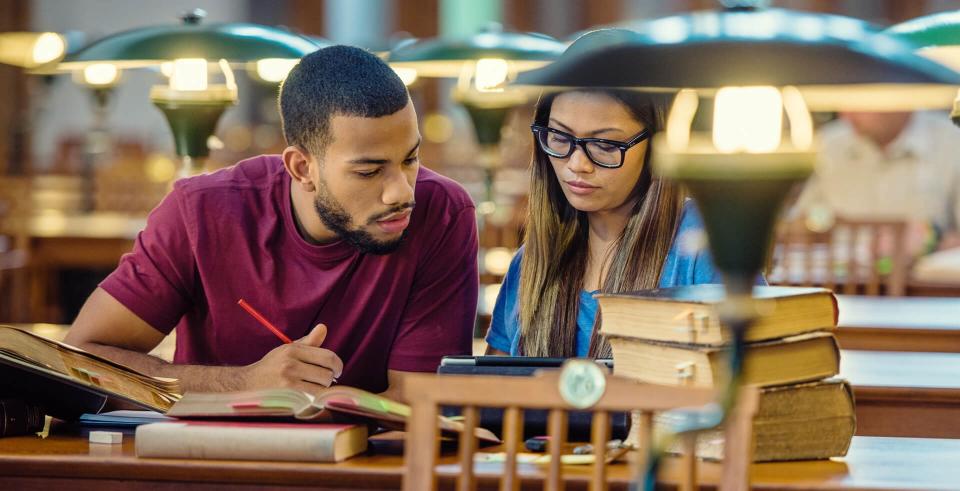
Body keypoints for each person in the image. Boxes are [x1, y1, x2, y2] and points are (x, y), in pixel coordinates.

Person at [65, 46, 479, 398]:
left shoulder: (441, 212)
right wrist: (244, 381)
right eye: (369, 172)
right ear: (302, 168)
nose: (402, 192)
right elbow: (81, 358)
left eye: (410, 159)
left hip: (365, 463)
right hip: (212, 459)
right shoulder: (201, 211)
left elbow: (419, 399)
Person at [485, 89, 721, 358]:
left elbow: (749, 385)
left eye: (606, 145)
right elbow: (497, 386)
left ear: (658, 145)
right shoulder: (530, 262)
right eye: (560, 138)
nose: (577, 164)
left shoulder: (701, 242)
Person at [792, 110, 960, 254]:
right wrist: (822, 221)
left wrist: (929, 242)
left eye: (860, 101)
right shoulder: (829, 143)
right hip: (837, 284)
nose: (846, 113)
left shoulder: (952, 142)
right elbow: (805, 218)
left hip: (923, 288)